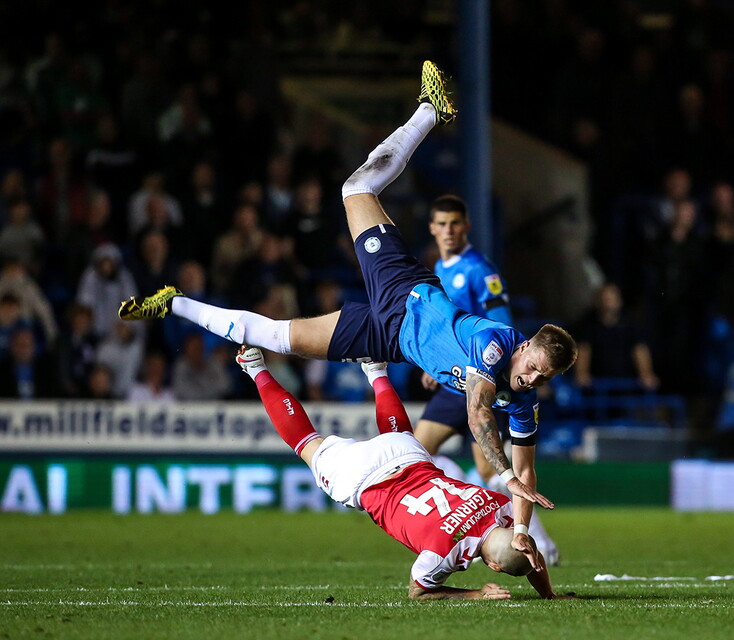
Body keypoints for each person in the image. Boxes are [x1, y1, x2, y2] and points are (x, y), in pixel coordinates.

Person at [118, 62, 578, 524]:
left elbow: (527, 469)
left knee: (274, 338)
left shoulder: (524, 400)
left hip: (389, 338)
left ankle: (172, 301)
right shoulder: (495, 344)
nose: (533, 379)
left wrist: (522, 528)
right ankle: (429, 111)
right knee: (356, 188)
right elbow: (478, 413)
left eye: (543, 378)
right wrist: (505, 474)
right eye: (534, 367)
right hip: (406, 295)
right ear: (524, 347)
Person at [235, 345, 571, 601]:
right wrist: (474, 593)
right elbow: (418, 591)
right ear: (494, 567)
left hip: (406, 456)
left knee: (400, 435)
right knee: (306, 442)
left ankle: (376, 371)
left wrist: (548, 591)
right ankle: (255, 367)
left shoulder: (498, 503)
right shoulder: (442, 554)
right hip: (364, 479)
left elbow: (529, 553)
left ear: (512, 530)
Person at [414, 194, 560, 565]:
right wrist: (439, 363)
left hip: (486, 378)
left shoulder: (479, 270)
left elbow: (502, 325)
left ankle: (535, 541)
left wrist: (487, 370)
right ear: (432, 228)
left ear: (466, 226)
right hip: (457, 378)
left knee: (463, 461)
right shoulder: (442, 267)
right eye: (441, 224)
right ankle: (504, 530)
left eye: (454, 223)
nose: (448, 231)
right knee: (431, 455)